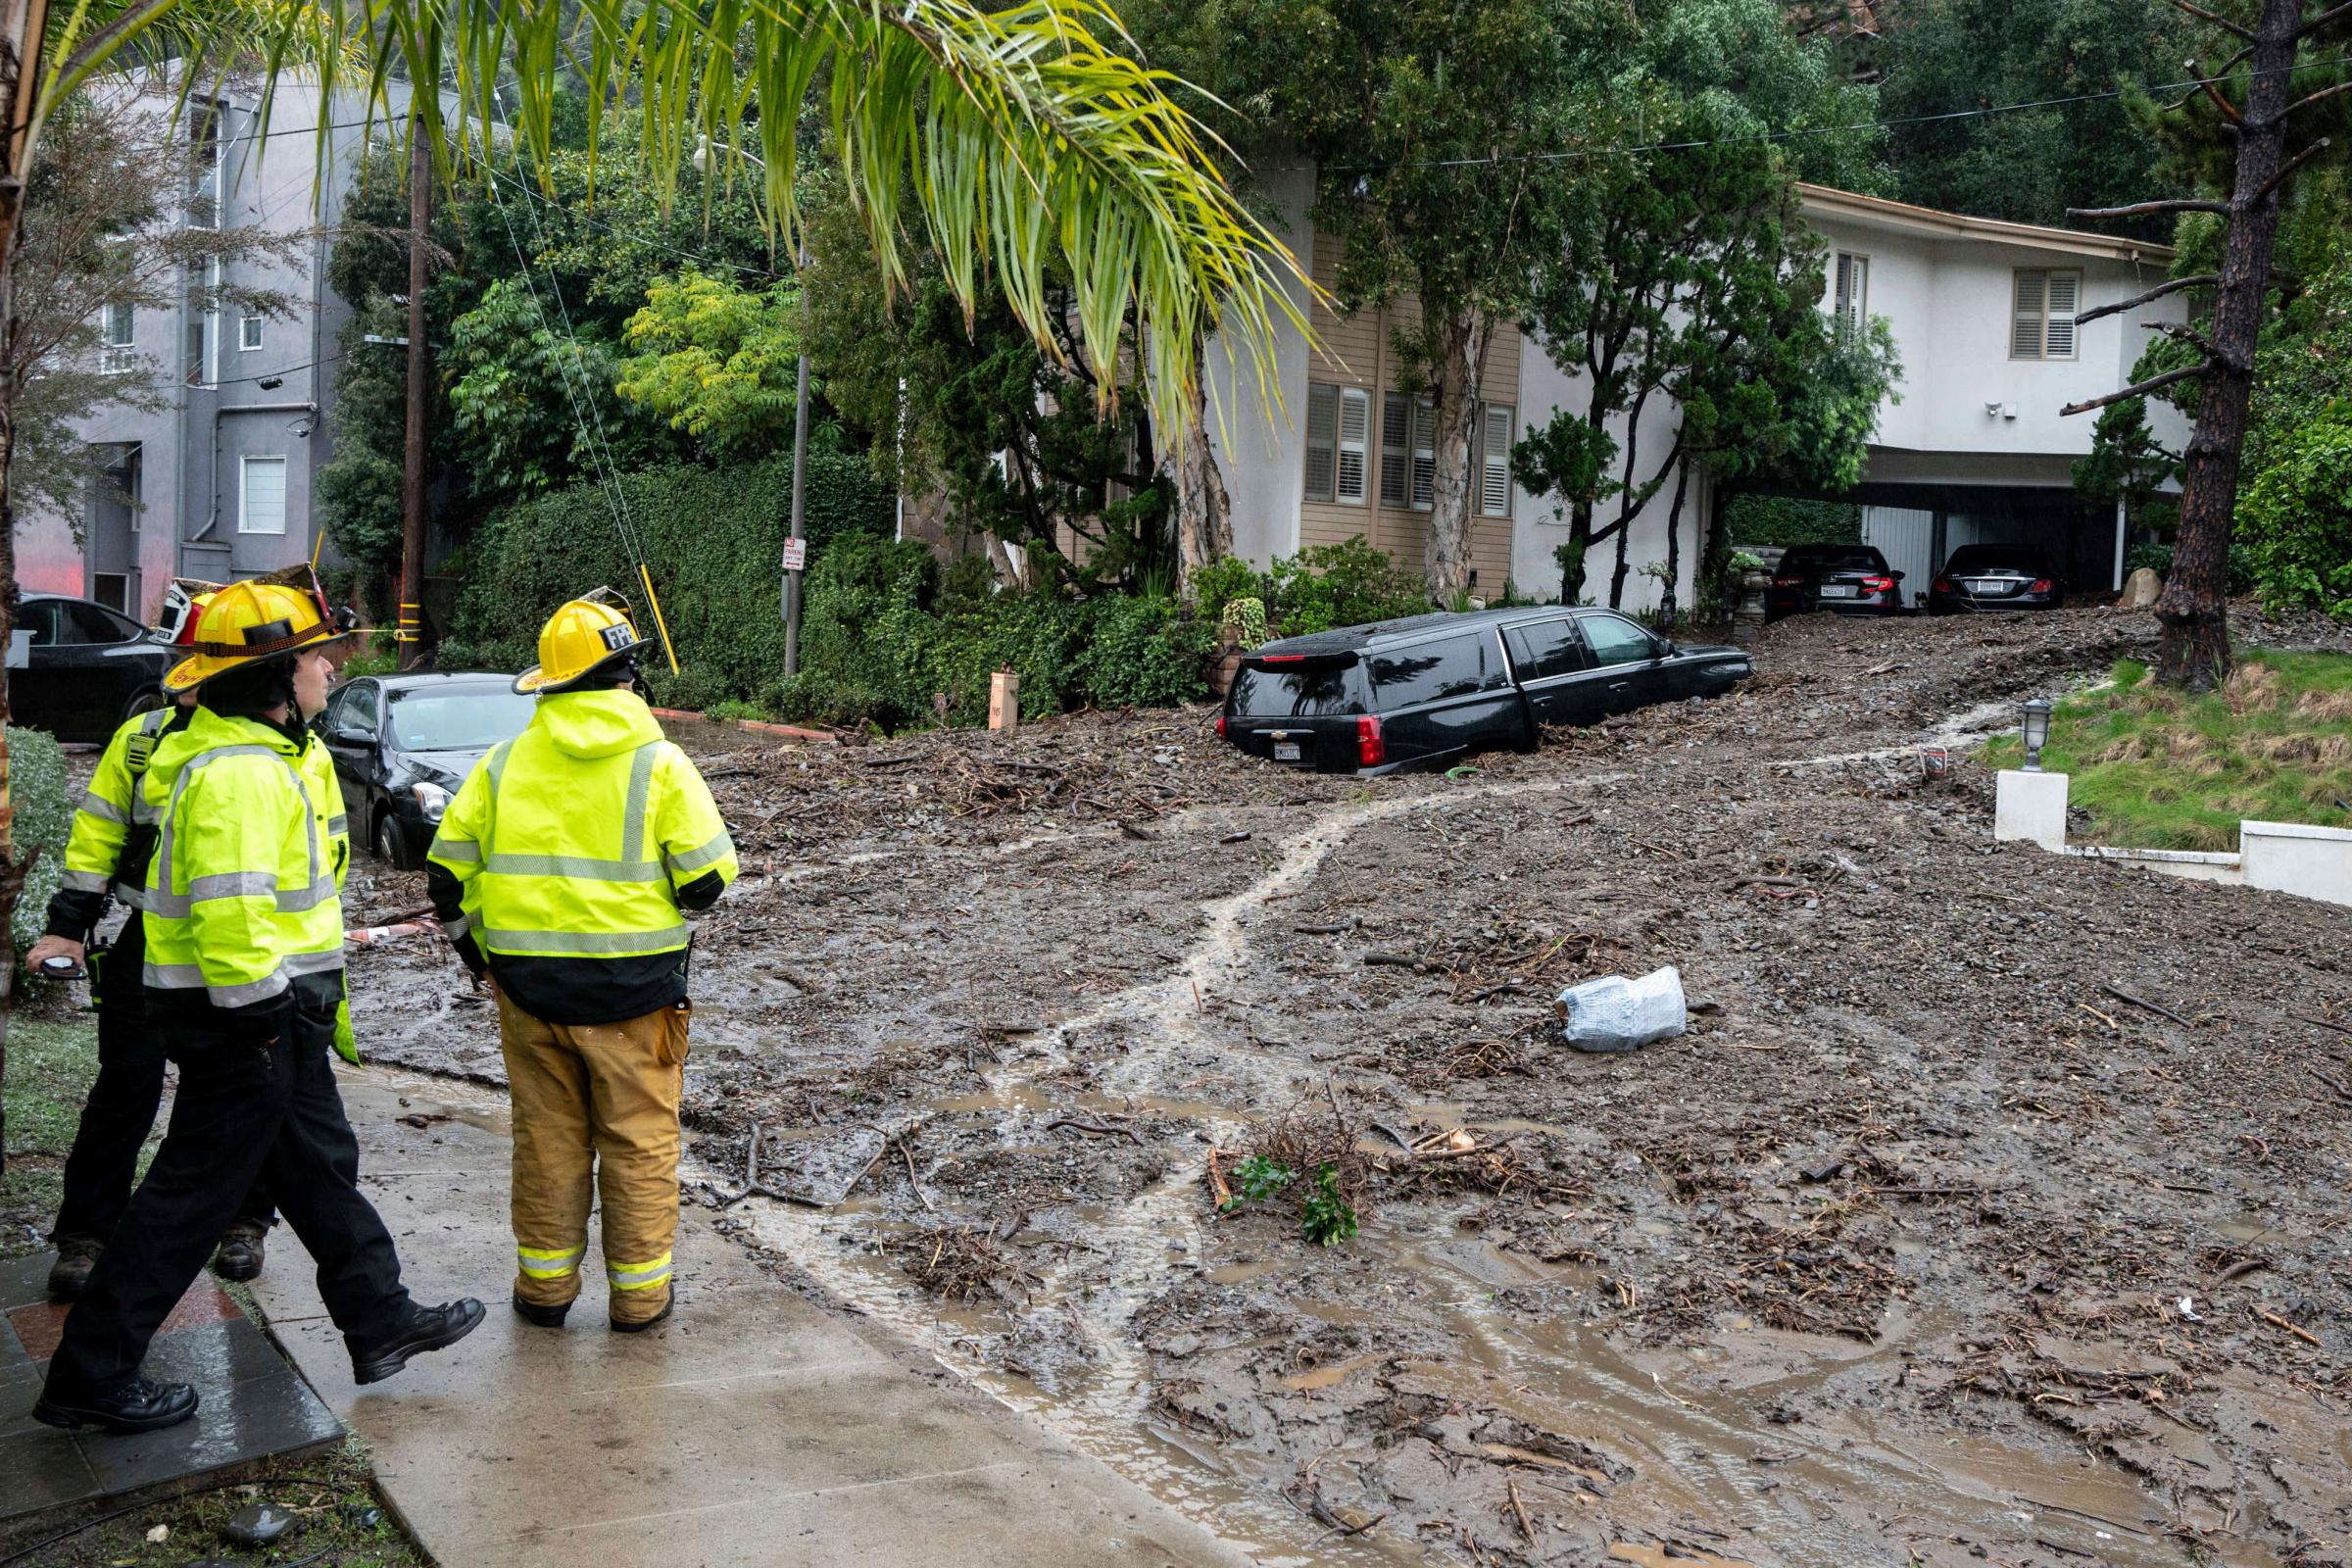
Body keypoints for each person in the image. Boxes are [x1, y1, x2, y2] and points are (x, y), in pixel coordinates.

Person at [35, 580, 480, 1436]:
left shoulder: (266, 755)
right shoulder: (242, 772)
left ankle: (379, 1313)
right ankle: (90, 1374)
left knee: (317, 1165)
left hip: (275, 1014)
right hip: (247, 1018)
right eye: (315, 656)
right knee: (188, 1196)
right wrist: (260, 1018)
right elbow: (231, 911)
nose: (328, 668)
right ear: (277, 674)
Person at [426, 590, 735, 1332]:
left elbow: (444, 879)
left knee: (548, 1143)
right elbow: (706, 883)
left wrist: (479, 954)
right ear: (627, 678)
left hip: (528, 995)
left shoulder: (501, 766)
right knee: (638, 1146)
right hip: (636, 998)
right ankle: (639, 1301)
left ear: (553, 681)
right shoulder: (661, 764)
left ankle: (543, 1295)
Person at [29, 598, 285, 1299]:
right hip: (148, 939)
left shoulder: (285, 746)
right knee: (126, 1089)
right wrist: (67, 926)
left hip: (242, 945)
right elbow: (96, 842)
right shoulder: (141, 742)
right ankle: (86, 1237)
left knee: (241, 1093)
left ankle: (243, 1222)